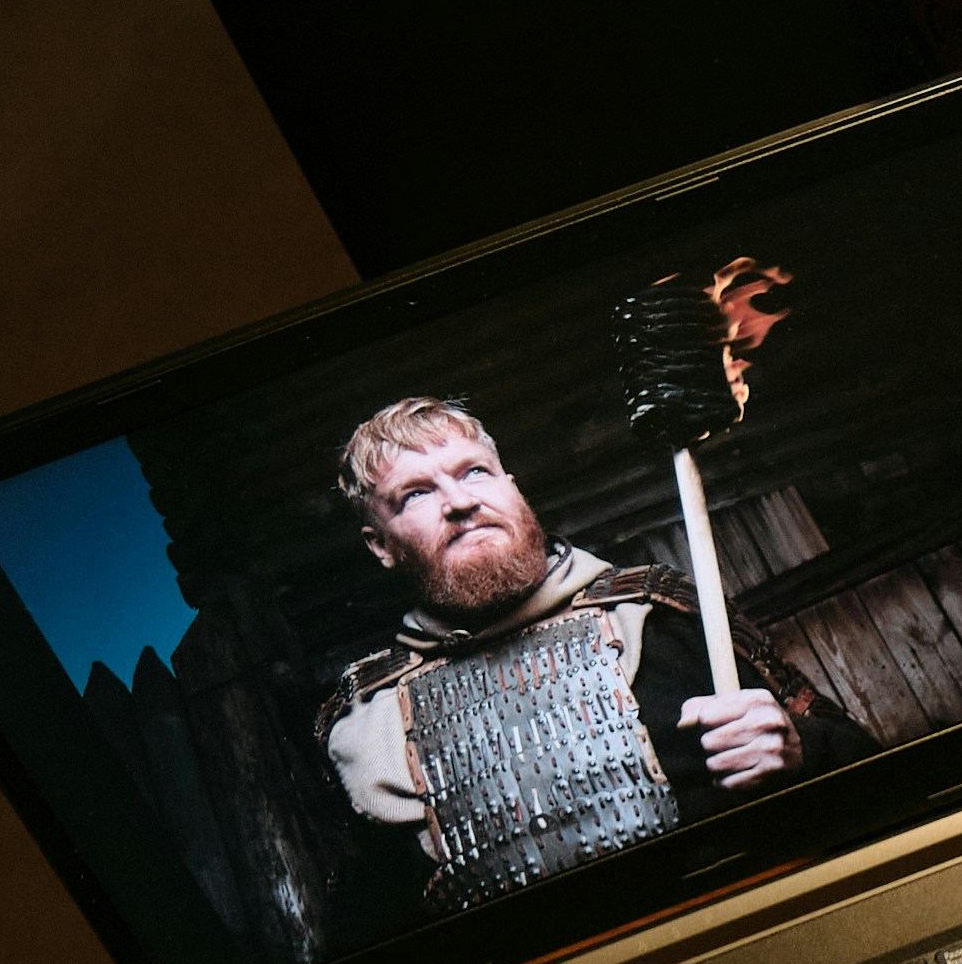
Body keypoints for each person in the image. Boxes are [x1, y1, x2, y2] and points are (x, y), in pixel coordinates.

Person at [312, 395, 864, 923]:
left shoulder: (660, 614)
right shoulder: (365, 727)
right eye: (415, 495)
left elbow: (863, 762)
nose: (459, 502)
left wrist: (801, 751)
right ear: (380, 546)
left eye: (474, 472)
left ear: (511, 485)